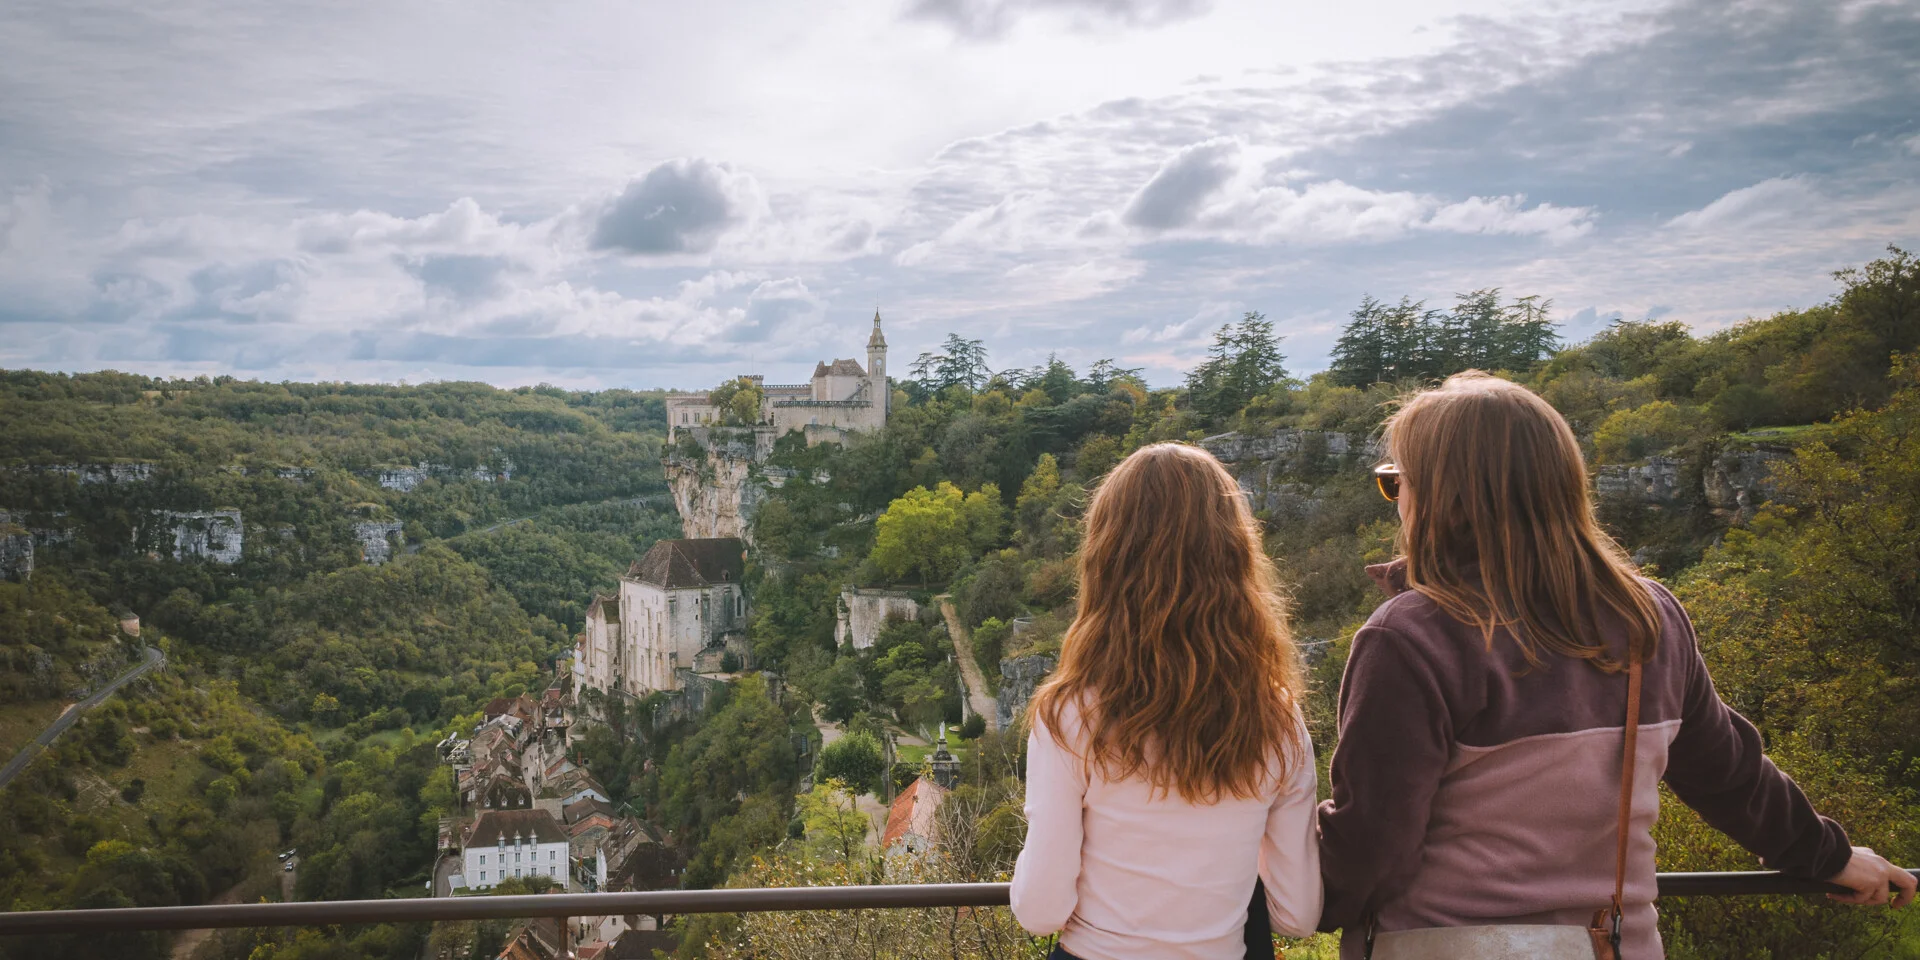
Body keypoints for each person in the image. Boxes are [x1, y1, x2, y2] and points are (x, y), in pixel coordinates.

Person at [1317, 372, 1916, 958]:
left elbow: (1376, 843)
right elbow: (1728, 773)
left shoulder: (1411, 637)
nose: (1397, 501)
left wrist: (1282, 902)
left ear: (1442, 496)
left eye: (1397, 483)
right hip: (1615, 945)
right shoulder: (1645, 616)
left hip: (1443, 942)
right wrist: (1828, 857)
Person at [1010, 442, 1322, 960]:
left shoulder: (1071, 715)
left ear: (1106, 559)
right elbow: (1298, 914)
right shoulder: (1277, 719)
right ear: (1235, 557)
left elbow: (1040, 910)